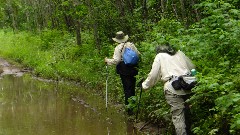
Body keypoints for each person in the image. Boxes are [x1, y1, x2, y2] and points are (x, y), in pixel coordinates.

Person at [141, 43, 195, 135]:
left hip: (173, 88)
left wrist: (145, 85)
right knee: (187, 114)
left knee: (178, 116)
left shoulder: (160, 56)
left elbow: (154, 75)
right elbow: (192, 67)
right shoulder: (180, 53)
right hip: (188, 84)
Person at [104, 31, 140, 114]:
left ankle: (129, 110)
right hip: (133, 68)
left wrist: (107, 61)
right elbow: (138, 54)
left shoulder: (118, 47)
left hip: (124, 69)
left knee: (127, 89)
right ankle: (133, 106)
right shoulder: (131, 45)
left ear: (117, 39)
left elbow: (116, 60)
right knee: (132, 88)